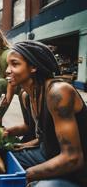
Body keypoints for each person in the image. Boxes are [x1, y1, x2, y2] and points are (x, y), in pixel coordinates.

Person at [5, 40, 87, 186]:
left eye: (15, 64)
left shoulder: (58, 93)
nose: (7, 70)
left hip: (77, 171)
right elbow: (36, 131)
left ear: (33, 66)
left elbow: (73, 158)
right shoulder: (26, 96)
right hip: (47, 153)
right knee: (1, 155)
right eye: (8, 64)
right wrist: (6, 133)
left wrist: (27, 175)